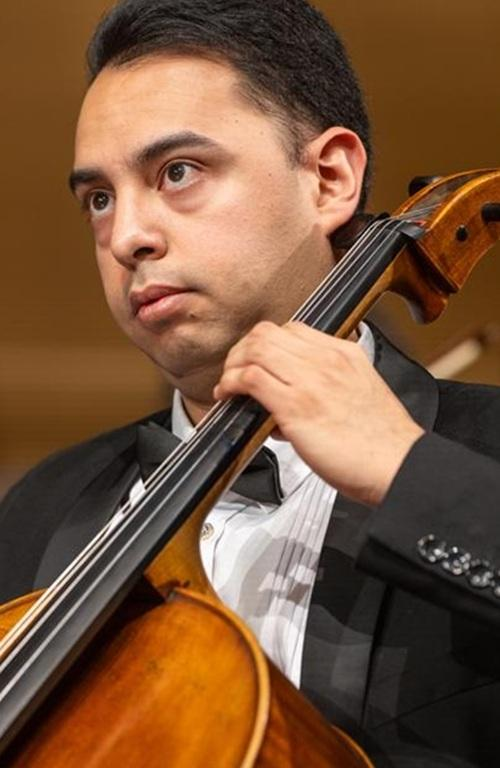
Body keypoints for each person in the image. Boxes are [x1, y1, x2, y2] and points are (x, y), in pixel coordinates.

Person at [1, 0, 500, 764]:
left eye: (179, 172)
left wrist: (409, 473)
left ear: (329, 178)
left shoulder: (481, 454)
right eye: (99, 198)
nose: (128, 234)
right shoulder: (42, 509)